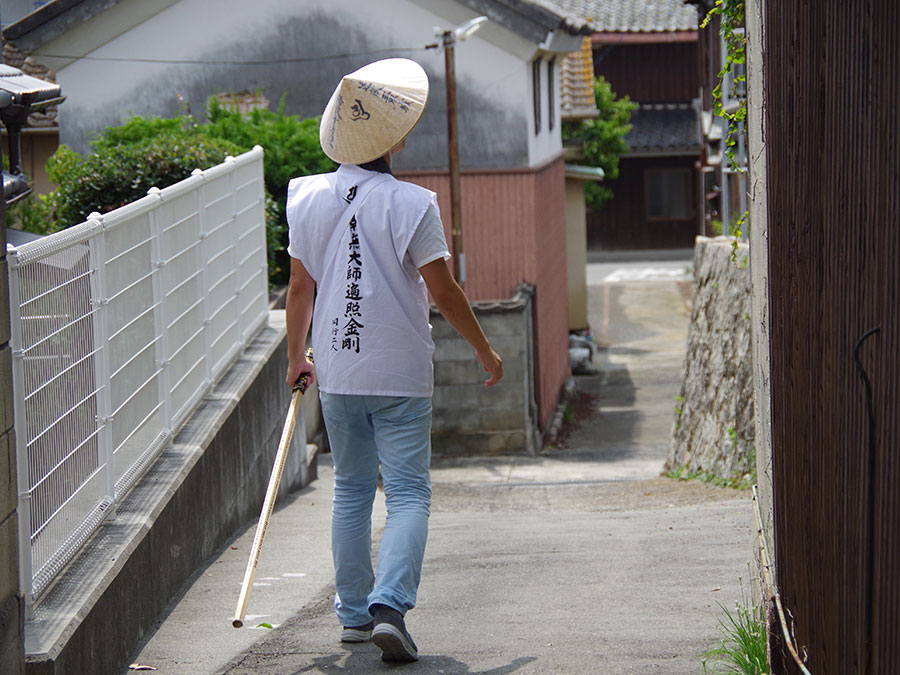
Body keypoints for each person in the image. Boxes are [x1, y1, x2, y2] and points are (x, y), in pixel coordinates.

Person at [284, 58, 503, 663]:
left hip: (336, 370)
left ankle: (354, 617)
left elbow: (300, 291)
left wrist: (295, 356)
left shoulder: (305, 198)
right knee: (407, 493)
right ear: (395, 138)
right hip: (400, 371)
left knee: (351, 491)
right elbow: (444, 291)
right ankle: (389, 607)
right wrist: (483, 347)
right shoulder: (412, 205)